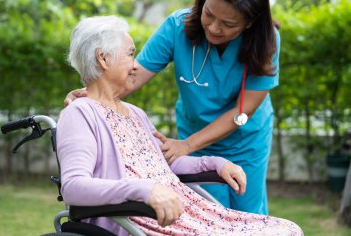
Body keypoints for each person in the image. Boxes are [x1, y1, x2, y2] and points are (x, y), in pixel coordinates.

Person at [58, 15, 303, 236]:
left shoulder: (134, 114)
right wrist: (145, 189)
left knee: (284, 229)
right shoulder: (81, 113)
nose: (136, 64)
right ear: (102, 58)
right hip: (153, 222)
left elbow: (164, 163)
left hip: (243, 137)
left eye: (228, 23)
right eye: (131, 54)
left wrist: (217, 164)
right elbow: (74, 187)